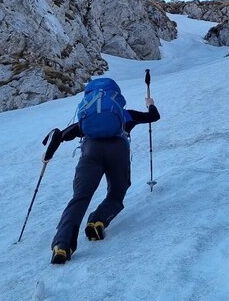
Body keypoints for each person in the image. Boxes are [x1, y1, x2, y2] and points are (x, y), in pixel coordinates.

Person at [49, 79, 160, 265]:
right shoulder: (124, 114)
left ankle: (62, 245)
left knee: (80, 197)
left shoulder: (87, 118)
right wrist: (150, 105)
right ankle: (97, 220)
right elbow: (153, 117)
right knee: (117, 193)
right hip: (119, 150)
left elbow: (62, 136)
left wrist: (48, 152)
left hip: (90, 151)